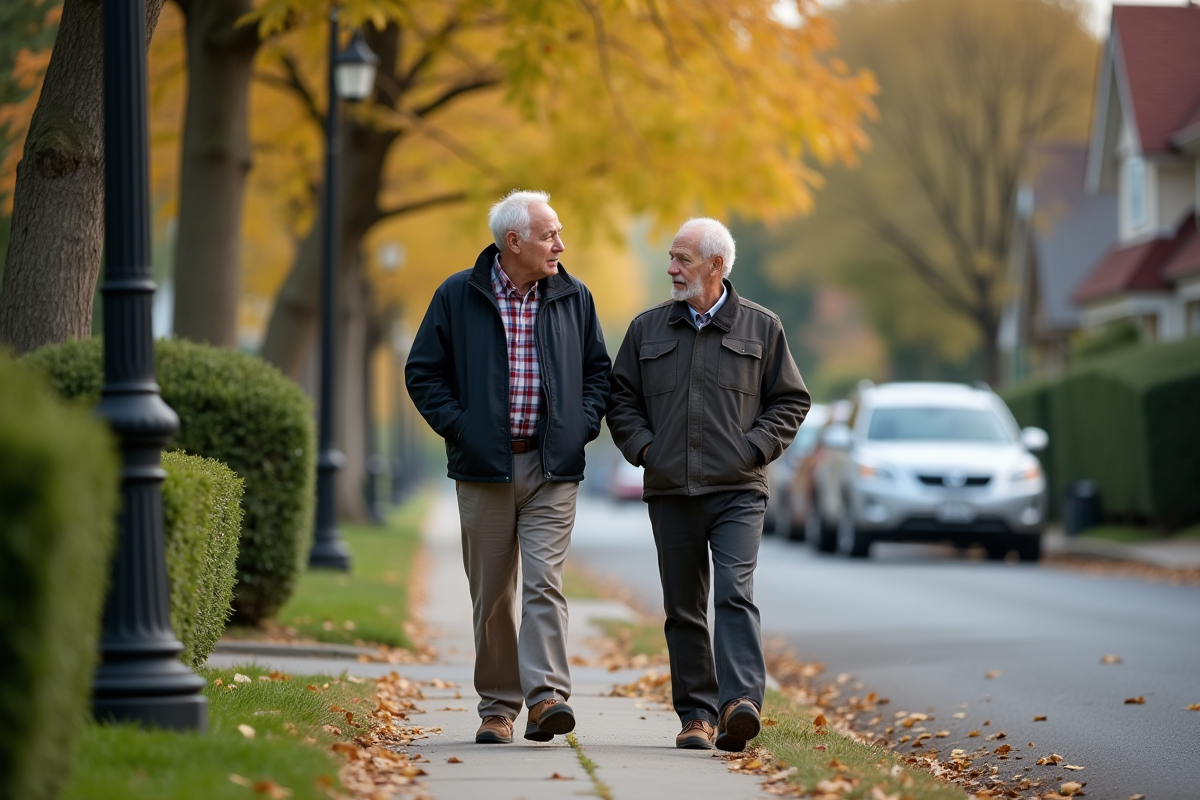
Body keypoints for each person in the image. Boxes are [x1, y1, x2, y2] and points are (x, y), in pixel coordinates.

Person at [405, 190, 611, 745]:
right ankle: (498, 708)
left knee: (544, 583)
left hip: (552, 468)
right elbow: (423, 372)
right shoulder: (457, 294)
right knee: (492, 594)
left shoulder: (574, 297)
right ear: (513, 241)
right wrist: (462, 428)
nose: (560, 245)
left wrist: (579, 426)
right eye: (550, 235)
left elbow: (599, 372)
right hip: (483, 469)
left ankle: (546, 698)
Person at [607, 217, 810, 752]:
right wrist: (646, 450)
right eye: (671, 258)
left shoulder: (762, 328)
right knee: (683, 607)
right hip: (671, 490)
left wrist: (754, 449)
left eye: (683, 259)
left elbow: (791, 400)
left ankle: (739, 704)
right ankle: (696, 715)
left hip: (739, 490)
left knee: (735, 593)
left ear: (716, 265)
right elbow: (620, 400)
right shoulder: (647, 329)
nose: (671, 269)